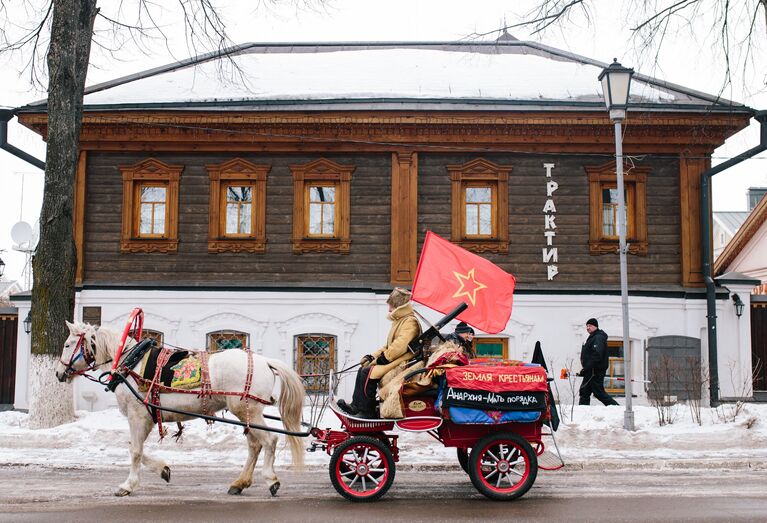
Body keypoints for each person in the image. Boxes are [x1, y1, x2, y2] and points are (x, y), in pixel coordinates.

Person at [337, 288, 422, 418]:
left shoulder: (410, 321)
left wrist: (384, 358)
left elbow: (400, 346)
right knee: (363, 369)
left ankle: (367, 411)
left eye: (391, 305)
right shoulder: (400, 321)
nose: (389, 309)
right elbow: (388, 345)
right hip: (395, 358)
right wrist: (372, 356)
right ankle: (356, 406)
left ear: (398, 305)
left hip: (404, 361)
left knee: (369, 372)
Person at [578, 318, 619, 406]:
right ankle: (583, 411)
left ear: (595, 326)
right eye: (587, 326)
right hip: (590, 371)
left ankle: (616, 408)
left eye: (590, 326)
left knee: (598, 392)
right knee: (584, 391)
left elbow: (597, 355)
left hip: (595, 371)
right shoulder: (593, 337)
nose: (588, 328)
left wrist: (587, 368)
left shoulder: (598, 337)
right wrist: (585, 369)